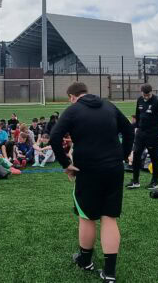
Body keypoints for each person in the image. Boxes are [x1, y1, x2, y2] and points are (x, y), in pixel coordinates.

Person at [50, 82, 133, 283]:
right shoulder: (109, 105)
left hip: (88, 170)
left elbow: (54, 136)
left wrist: (66, 164)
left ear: (72, 96)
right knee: (109, 217)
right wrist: (122, 156)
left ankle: (85, 261)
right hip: (113, 169)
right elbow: (129, 130)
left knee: (86, 217)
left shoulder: (72, 110)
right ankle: (110, 273)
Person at [128, 84, 158, 190]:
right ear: (141, 93)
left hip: (153, 134)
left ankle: (155, 182)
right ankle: (135, 181)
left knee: (154, 157)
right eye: (144, 95)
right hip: (140, 133)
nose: (146, 97)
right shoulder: (140, 100)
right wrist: (136, 128)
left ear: (151, 92)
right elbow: (138, 114)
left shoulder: (157, 102)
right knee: (136, 155)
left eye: (148, 95)